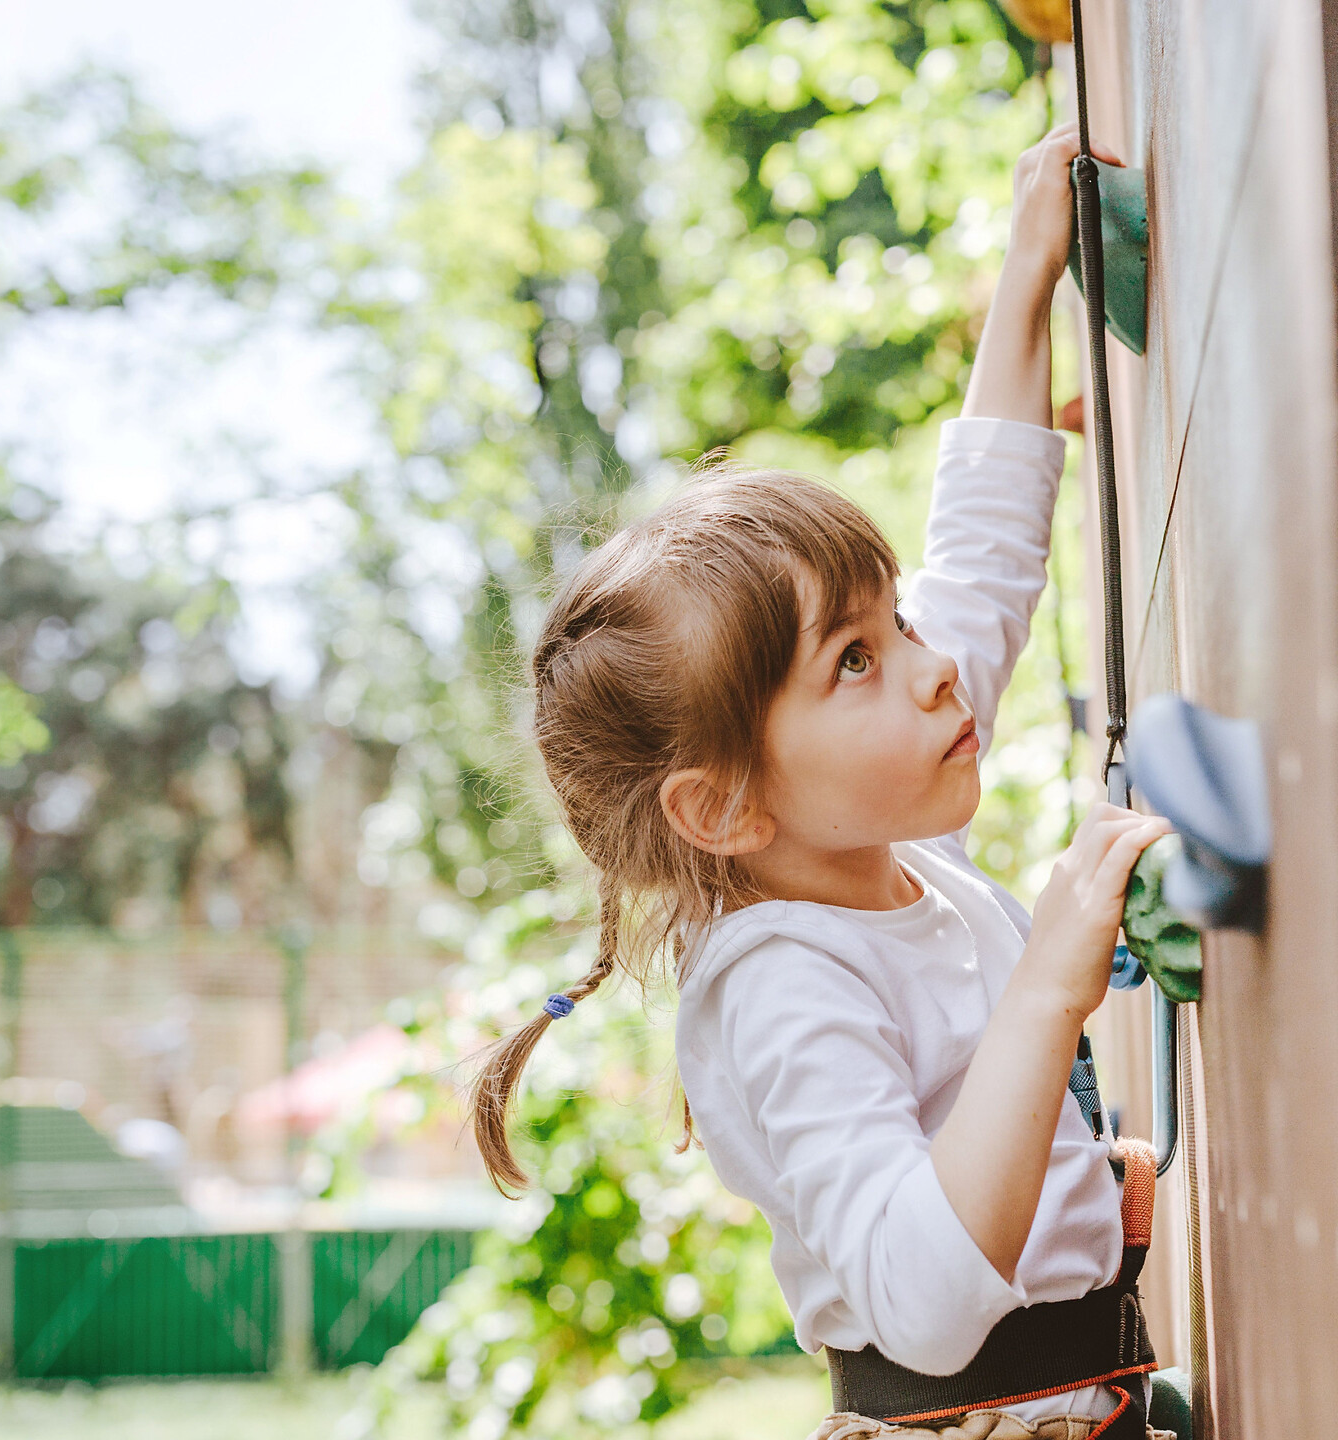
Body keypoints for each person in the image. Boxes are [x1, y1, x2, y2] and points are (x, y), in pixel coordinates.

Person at [475, 122, 1172, 1440]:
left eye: (893, 621)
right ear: (726, 805)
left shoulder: (886, 843)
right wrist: (1050, 980)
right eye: (855, 658)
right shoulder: (784, 982)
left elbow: (982, 557)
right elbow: (922, 1302)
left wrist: (1028, 274)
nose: (932, 667)